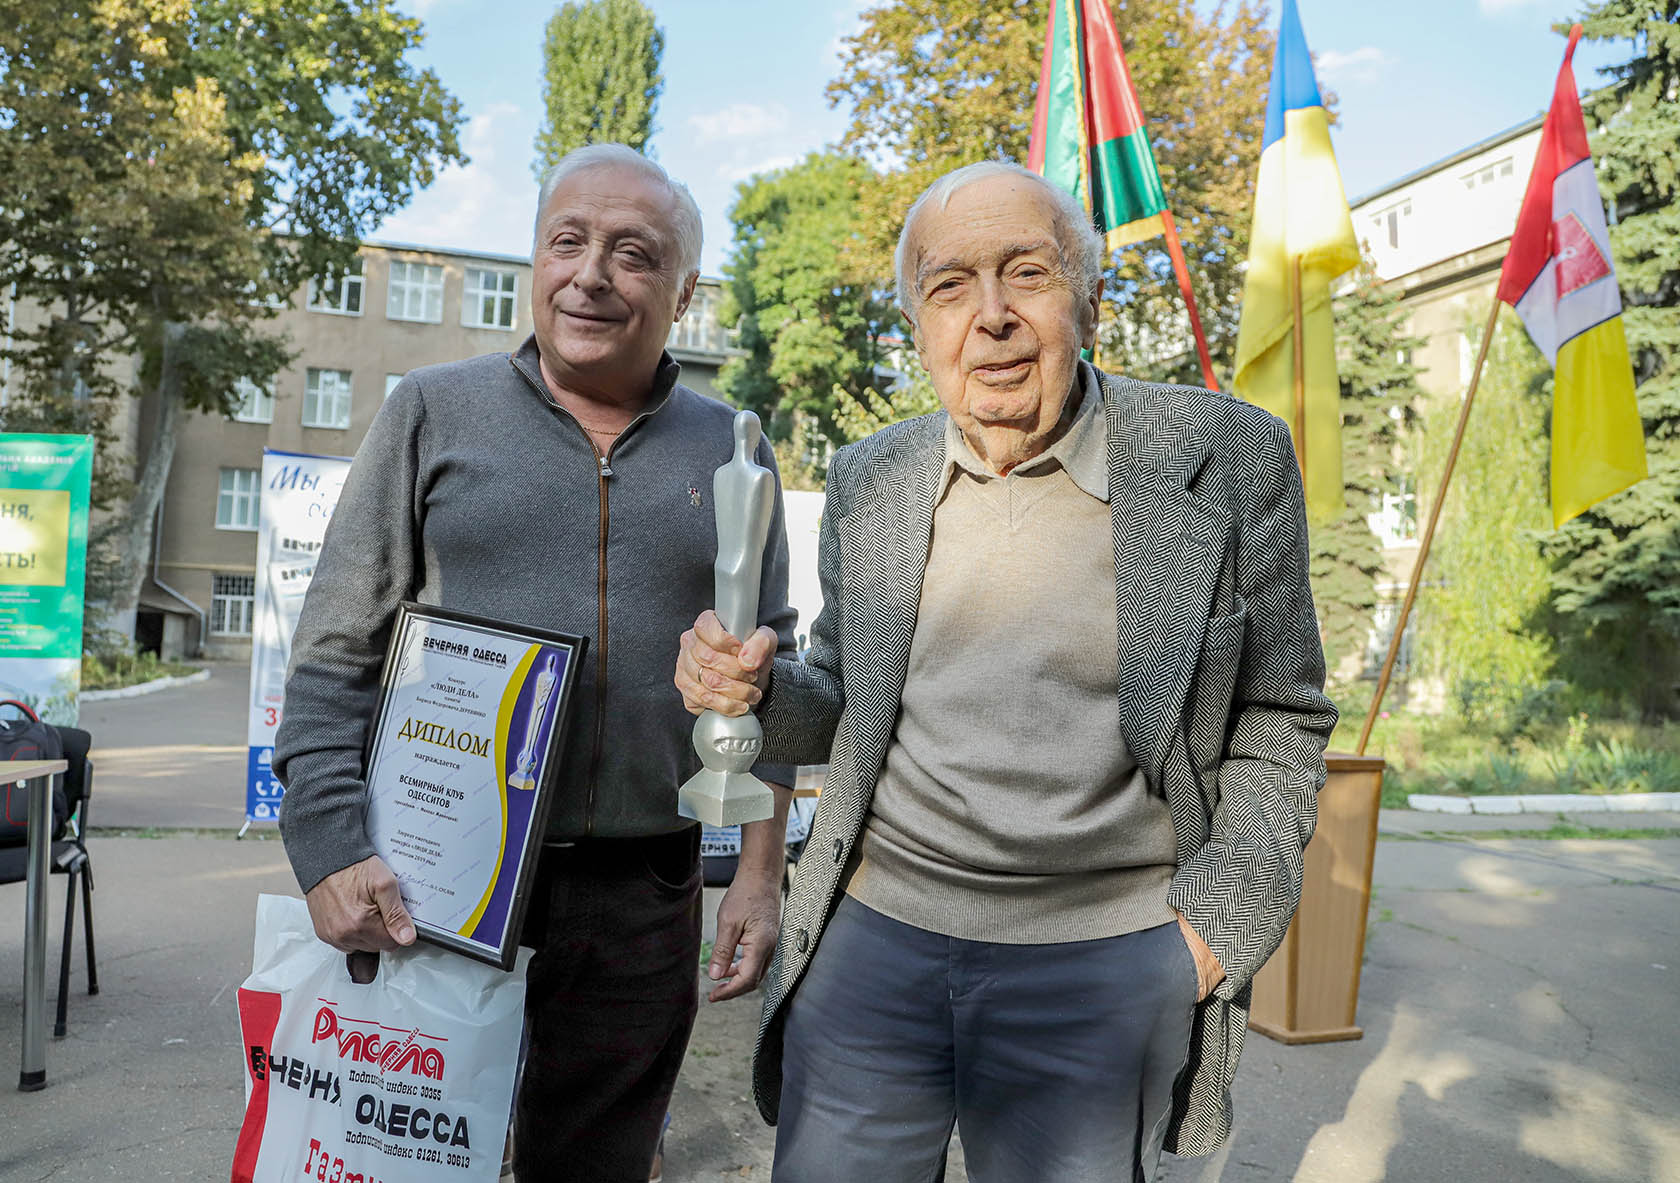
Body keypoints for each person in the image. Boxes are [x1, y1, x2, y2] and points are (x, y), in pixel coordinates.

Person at [675, 160, 1335, 1181]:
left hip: (1108, 962)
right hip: (873, 945)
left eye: (1027, 273)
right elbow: (845, 700)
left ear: (1089, 300)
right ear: (918, 327)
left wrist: (1210, 933)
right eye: (949, 287)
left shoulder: (1225, 456)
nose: (991, 316)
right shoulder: (872, 476)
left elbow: (1280, 715)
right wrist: (755, 695)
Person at [275, 143, 797, 1182]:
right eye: (567, 242)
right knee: (411, 1162)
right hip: (434, 880)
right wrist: (328, 846)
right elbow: (335, 650)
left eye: (633, 254)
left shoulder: (735, 449)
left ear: (685, 292)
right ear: (534, 262)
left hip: (643, 893)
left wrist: (758, 876)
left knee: (597, 1164)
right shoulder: (431, 411)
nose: (590, 274)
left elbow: (773, 673)